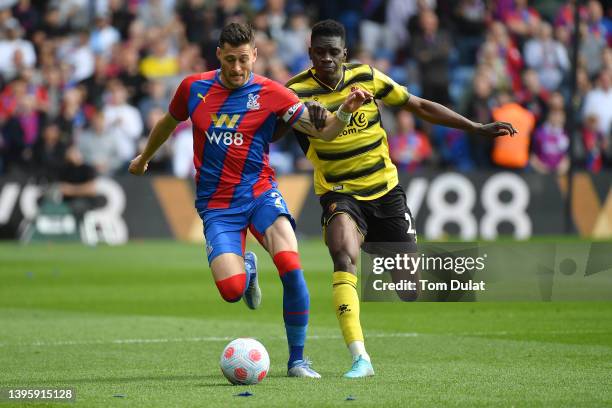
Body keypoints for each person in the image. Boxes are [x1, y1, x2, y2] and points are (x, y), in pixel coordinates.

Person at [128, 22, 371, 378]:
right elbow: (168, 122)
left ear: (255, 55)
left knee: (291, 266)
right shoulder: (193, 88)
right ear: (219, 56)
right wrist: (144, 157)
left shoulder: (272, 93)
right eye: (230, 60)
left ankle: (297, 361)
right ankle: (248, 269)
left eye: (244, 59)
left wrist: (346, 110)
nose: (238, 68)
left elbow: (327, 131)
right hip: (217, 207)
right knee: (231, 290)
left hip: (260, 195)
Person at [280, 20, 516, 378]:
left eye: (333, 52)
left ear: (344, 53)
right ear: (309, 51)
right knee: (343, 255)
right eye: (319, 51)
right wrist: (295, 118)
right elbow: (272, 127)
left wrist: (475, 127)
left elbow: (418, 105)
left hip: (385, 190)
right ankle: (361, 358)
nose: (326, 58)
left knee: (409, 287)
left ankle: (375, 242)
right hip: (338, 191)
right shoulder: (295, 91)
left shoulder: (368, 77)